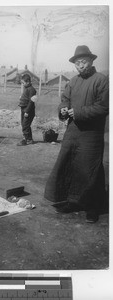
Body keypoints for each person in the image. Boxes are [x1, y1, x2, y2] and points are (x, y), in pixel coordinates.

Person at [44, 45, 109, 223]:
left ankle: (93, 207)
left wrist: (78, 112)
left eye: (84, 62)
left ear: (91, 61)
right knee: (72, 164)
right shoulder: (73, 82)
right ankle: (74, 201)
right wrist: (63, 108)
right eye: (77, 63)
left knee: (91, 169)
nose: (80, 66)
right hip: (73, 131)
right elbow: (64, 99)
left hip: (91, 134)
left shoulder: (102, 80)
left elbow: (104, 107)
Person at [17, 73, 37, 146]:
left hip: (28, 110)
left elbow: (31, 102)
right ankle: (29, 139)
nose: (22, 84)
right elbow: (26, 98)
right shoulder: (27, 89)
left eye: (23, 83)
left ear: (28, 82)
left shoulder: (32, 90)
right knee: (24, 124)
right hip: (23, 109)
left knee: (25, 125)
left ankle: (27, 139)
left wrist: (27, 111)